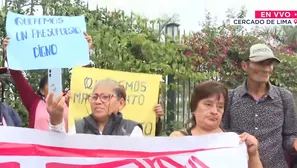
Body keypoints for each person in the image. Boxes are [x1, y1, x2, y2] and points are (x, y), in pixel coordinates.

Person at [222, 43, 297, 168]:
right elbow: (222, 132)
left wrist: (294, 142)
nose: (267, 69)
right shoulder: (230, 97)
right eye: (261, 63)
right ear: (245, 66)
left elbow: (289, 135)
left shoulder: (284, 97)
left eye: (269, 64)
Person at [2, 33, 92, 130]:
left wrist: (85, 52)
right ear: (41, 90)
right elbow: (18, 79)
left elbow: (80, 77)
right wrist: (9, 54)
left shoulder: (68, 100)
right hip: (38, 145)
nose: (55, 86)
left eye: (57, 82)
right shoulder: (34, 103)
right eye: (50, 84)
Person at [170, 81, 263, 168]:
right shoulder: (178, 139)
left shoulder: (235, 142)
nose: (214, 111)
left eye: (220, 106)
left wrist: (253, 154)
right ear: (194, 108)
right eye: (208, 104)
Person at [47, 79, 143, 136]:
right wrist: (56, 121)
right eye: (94, 97)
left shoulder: (131, 131)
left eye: (105, 97)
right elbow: (62, 154)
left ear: (121, 103)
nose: (97, 102)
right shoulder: (79, 128)